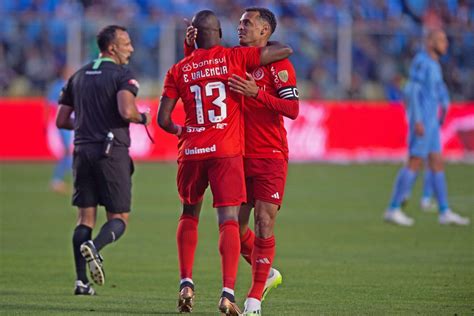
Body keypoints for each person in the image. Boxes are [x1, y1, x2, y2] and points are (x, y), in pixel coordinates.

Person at [157, 9, 292, 315]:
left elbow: (163, 120)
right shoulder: (234, 58)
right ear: (218, 33)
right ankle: (228, 292)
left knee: (188, 213)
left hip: (191, 150)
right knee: (229, 220)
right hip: (226, 151)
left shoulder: (177, 69)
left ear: (193, 35)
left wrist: (183, 131)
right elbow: (284, 50)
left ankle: (186, 282)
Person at [56, 25, 151, 295]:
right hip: (111, 152)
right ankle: (95, 247)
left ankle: (80, 282)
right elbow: (126, 111)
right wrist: (142, 117)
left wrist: (88, 126)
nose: (131, 49)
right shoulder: (122, 75)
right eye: (127, 43)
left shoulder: (78, 75)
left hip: (82, 150)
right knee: (119, 216)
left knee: (84, 217)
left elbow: (62, 120)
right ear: (112, 48)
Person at [384, 29, 469, 226]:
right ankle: (393, 208)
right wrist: (418, 120)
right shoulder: (422, 62)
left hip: (431, 123)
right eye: (441, 40)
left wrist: (443, 108)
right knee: (414, 161)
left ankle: (444, 211)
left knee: (437, 162)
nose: (445, 44)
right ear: (430, 42)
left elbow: (437, 91)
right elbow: (412, 91)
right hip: (422, 122)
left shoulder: (434, 64)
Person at [45, 67, 74, 194]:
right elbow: (50, 104)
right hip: (63, 122)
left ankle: (59, 180)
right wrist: (46, 121)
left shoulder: (72, 86)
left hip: (71, 121)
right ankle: (56, 180)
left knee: (70, 152)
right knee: (68, 151)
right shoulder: (58, 86)